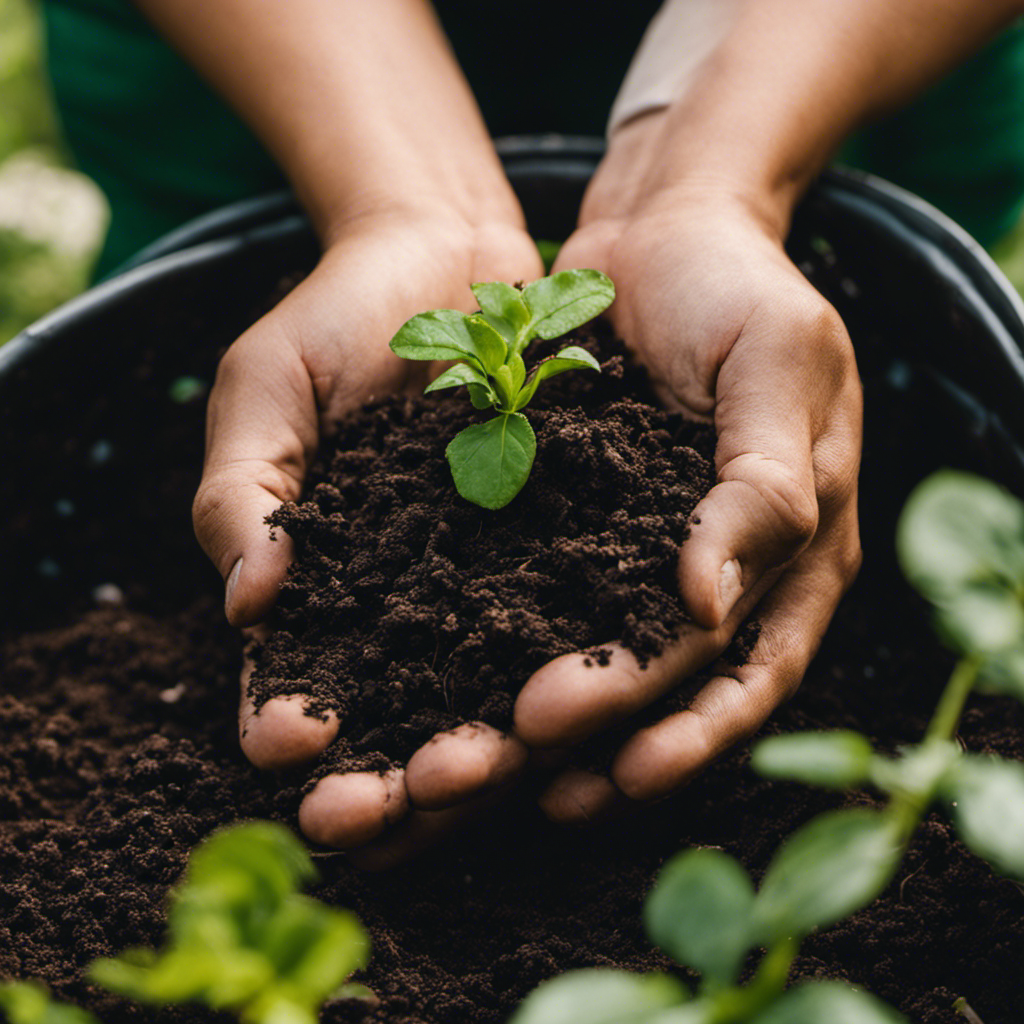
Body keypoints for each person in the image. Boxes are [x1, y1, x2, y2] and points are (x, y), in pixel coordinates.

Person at [40, 0, 1024, 864]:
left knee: (839, 406)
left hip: (824, 43)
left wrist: (711, 178)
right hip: (275, 55)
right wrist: (402, 205)